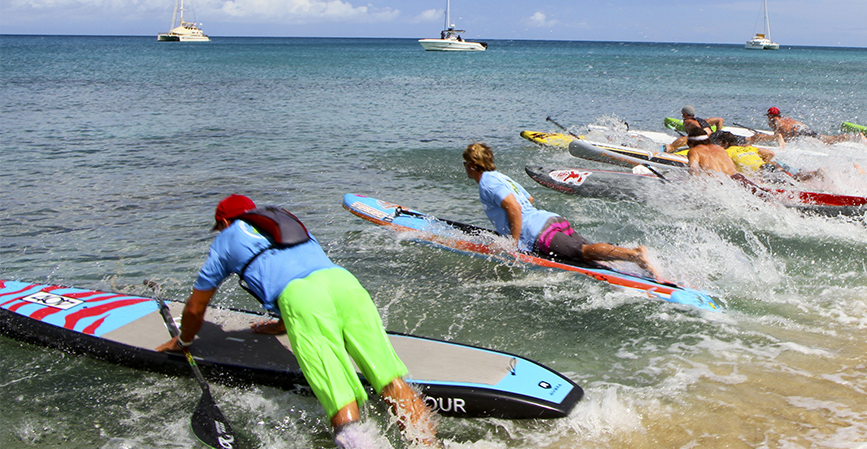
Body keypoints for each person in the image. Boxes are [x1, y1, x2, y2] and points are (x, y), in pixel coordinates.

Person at [156, 195, 437, 448]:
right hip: (346, 284)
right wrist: (282, 324)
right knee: (390, 379)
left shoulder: (226, 238)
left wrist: (184, 340)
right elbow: (296, 266)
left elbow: (195, 308)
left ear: (225, 221)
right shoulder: (280, 221)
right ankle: (429, 445)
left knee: (337, 393)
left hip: (303, 299)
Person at [462, 143, 663, 281]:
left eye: (465, 164)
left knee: (582, 252)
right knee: (587, 252)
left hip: (536, 232)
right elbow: (528, 199)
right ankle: (633, 265)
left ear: (471, 165)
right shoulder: (499, 176)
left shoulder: (486, 182)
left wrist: (513, 244)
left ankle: (634, 254)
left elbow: (513, 207)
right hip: (549, 220)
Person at [751, 107, 857, 145]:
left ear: (771, 116)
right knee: (828, 140)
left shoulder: (775, 121)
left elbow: (778, 136)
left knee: (825, 142)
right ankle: (853, 137)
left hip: (798, 131)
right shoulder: (787, 118)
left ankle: (852, 137)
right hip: (802, 128)